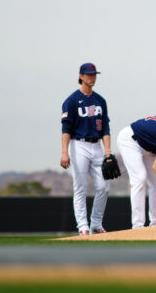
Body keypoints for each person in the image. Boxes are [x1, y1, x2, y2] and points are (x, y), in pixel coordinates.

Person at [60, 62, 112, 235]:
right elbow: (66, 128)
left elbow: (105, 128)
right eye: (89, 74)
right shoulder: (72, 101)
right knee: (80, 187)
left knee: (104, 187)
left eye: (94, 74)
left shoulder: (100, 100)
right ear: (81, 76)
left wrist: (108, 152)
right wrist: (64, 152)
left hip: (97, 145)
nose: (92, 77)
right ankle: (82, 226)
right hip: (78, 144)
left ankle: (96, 223)